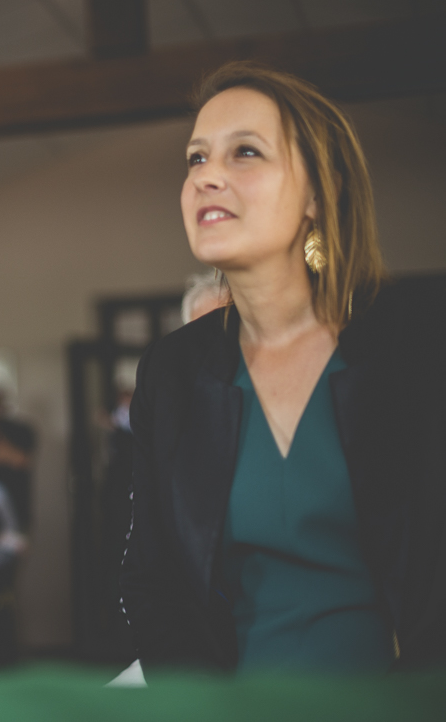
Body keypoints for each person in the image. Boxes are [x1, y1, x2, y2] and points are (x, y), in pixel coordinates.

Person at [120, 62, 446, 674]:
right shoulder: (171, 372)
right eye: (195, 159)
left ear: (319, 195)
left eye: (245, 153)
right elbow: (152, 584)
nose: (208, 176)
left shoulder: (422, 345)